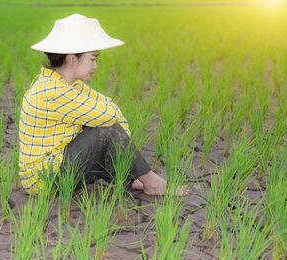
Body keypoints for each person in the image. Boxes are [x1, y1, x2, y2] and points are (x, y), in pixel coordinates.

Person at [18, 13, 188, 196]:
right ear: (72, 58)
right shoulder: (52, 91)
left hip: (57, 167)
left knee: (104, 130)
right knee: (106, 131)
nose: (96, 66)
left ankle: (132, 176)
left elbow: (110, 109)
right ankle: (151, 182)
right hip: (46, 179)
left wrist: (118, 135)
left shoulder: (71, 86)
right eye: (92, 58)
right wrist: (116, 131)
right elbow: (109, 114)